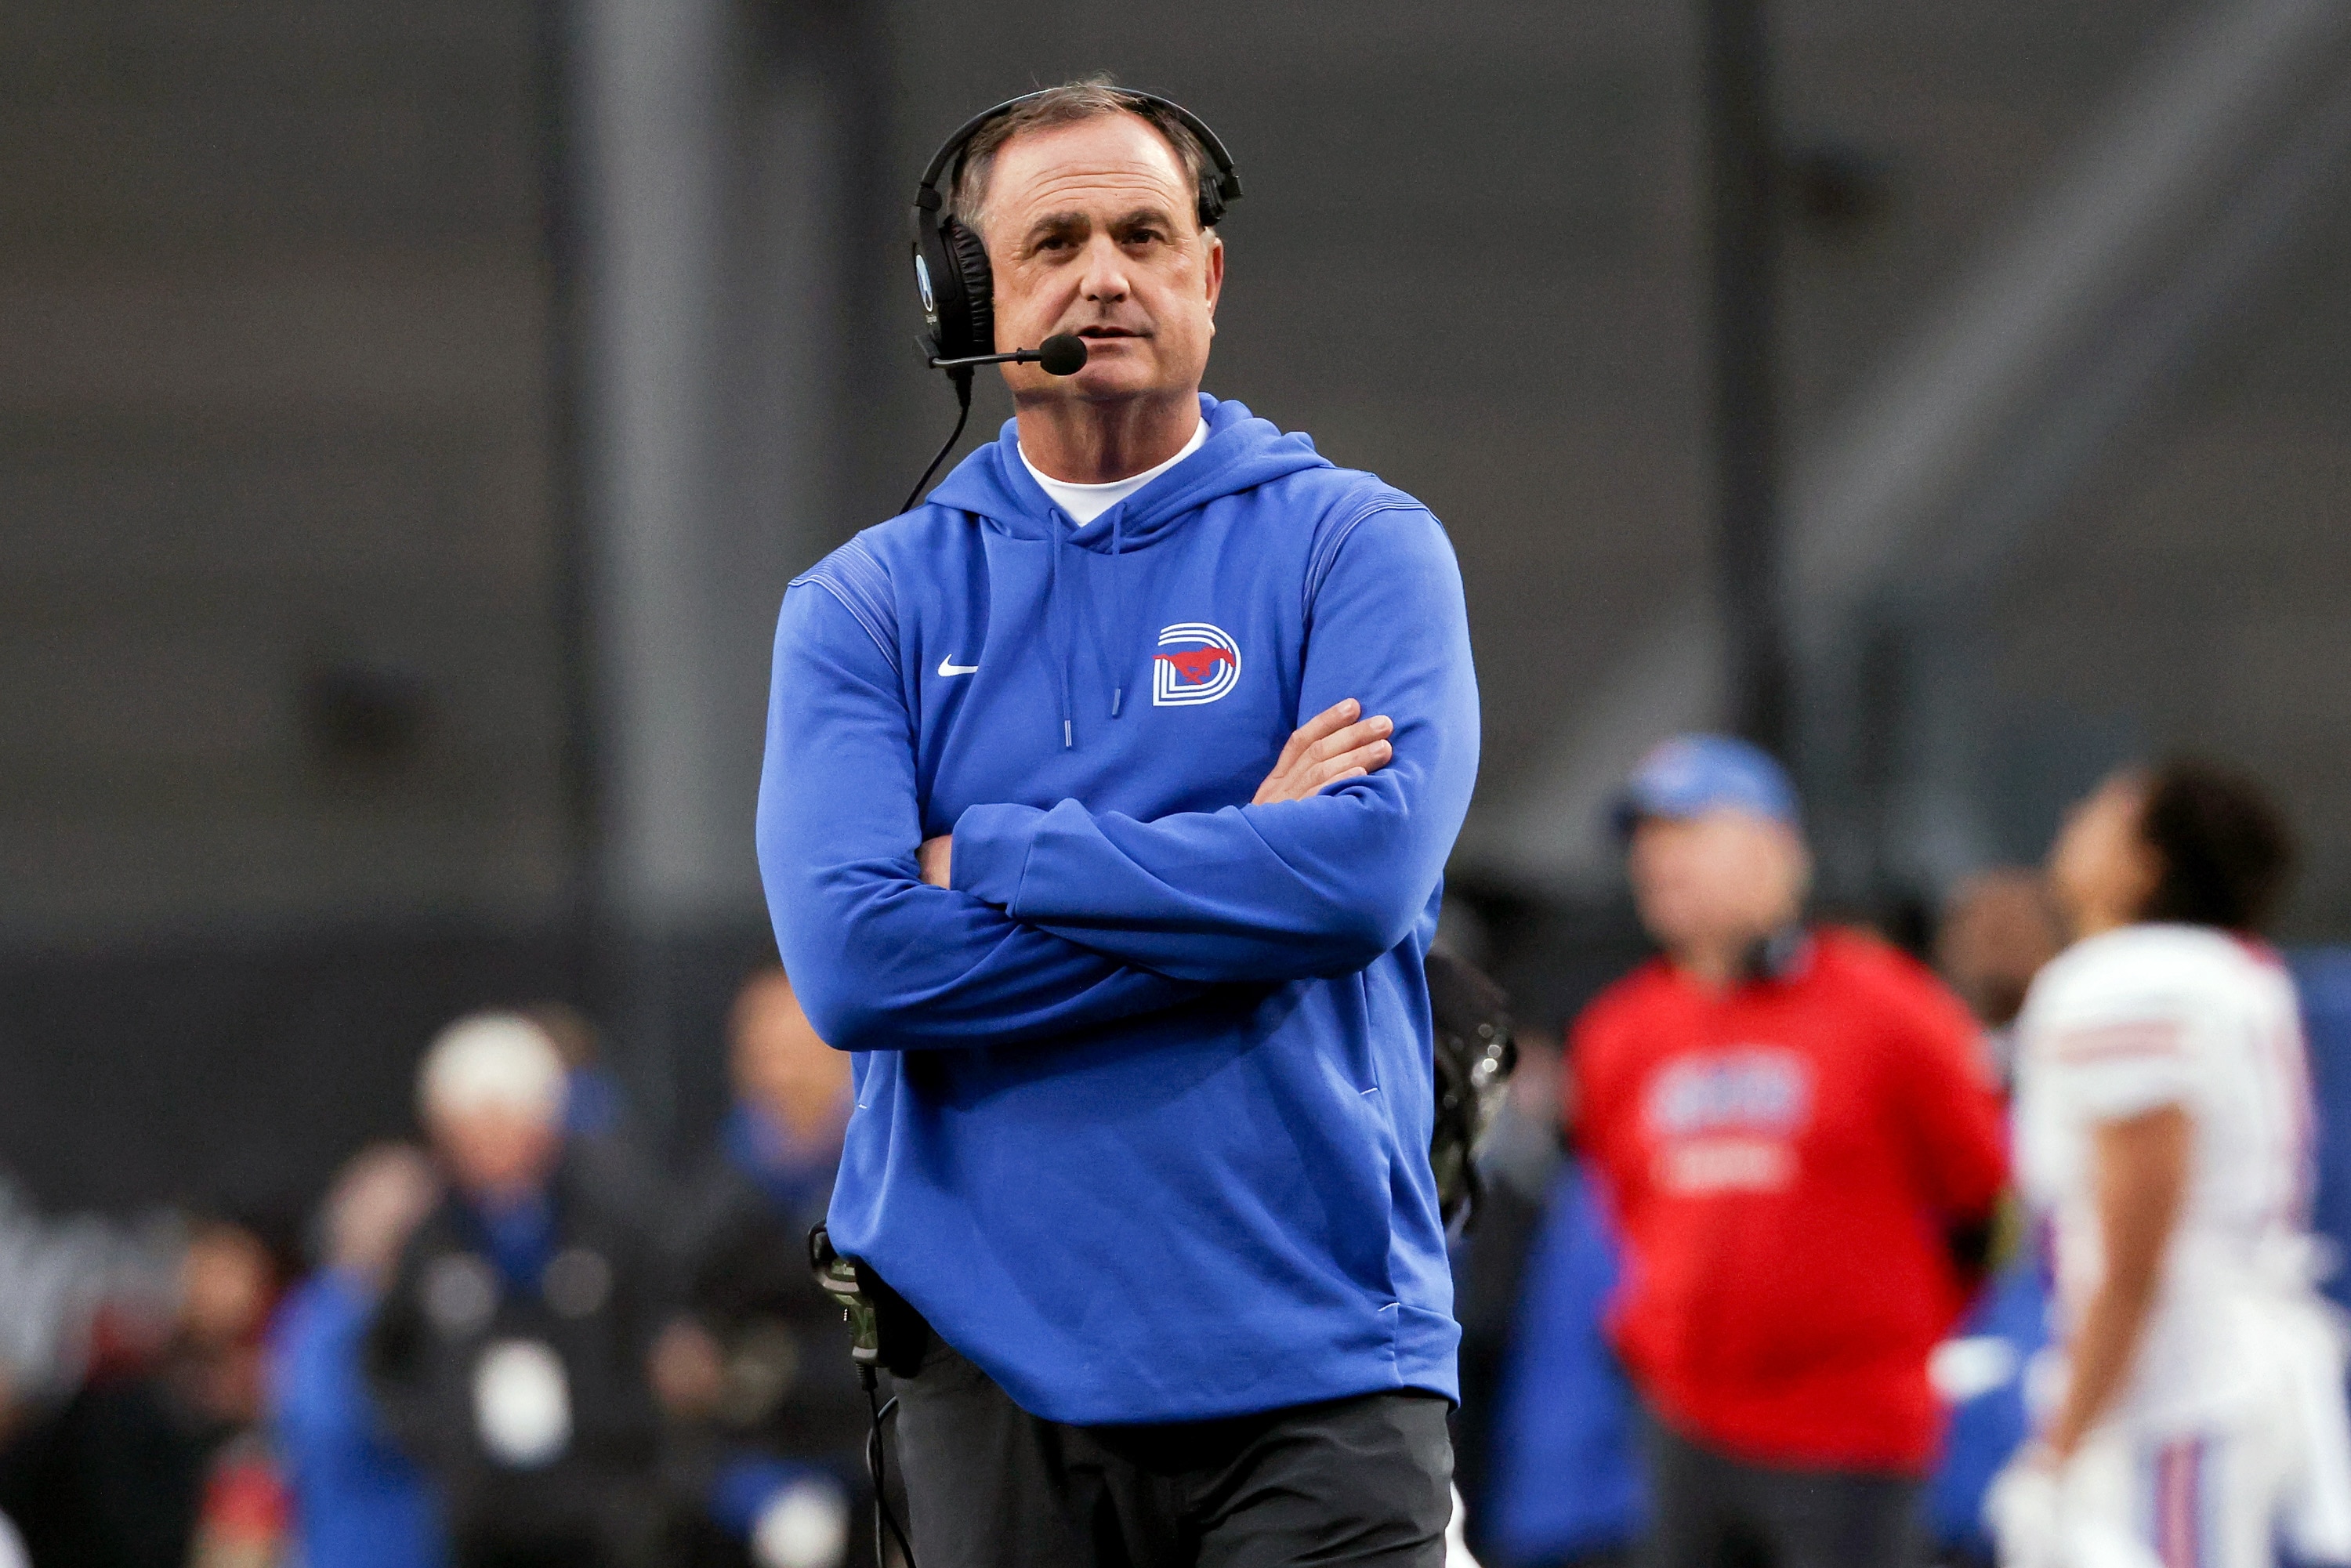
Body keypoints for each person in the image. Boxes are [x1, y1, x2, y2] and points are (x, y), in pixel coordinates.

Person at [758, 76, 1480, 1568]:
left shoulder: (1358, 542)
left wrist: (1006, 853)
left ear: (1208, 276)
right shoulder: (864, 605)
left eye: (1148, 234)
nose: (1108, 273)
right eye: (1058, 240)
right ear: (969, 297)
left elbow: (1353, 885)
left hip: (1324, 1367)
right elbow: (858, 967)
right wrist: (1239, 884)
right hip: (985, 1376)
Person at [1568, 734, 2008, 1568]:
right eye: (1647, 841)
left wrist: (1890, 1335)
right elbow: (1627, 1207)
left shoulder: (1890, 1009)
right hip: (1683, 1423)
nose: (1660, 861)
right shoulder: (1616, 1034)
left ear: (1777, 849)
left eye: (1690, 832)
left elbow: (1985, 1199)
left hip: (1850, 1431)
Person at [1988, 759, 2351, 1568]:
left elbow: (2137, 1251)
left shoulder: (2130, 981)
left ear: (2145, 861)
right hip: (2220, 1371)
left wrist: (2062, 1441)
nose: (2075, 814)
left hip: (2175, 1388)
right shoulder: (2225, 968)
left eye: (2103, 811)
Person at [366, 1013, 670, 1568]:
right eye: (471, 1126)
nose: (491, 1144)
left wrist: (624, 1440)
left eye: (506, 1120)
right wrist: (441, 1435)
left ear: (544, 1123)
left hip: (596, 1508)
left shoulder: (607, 1228)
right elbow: (383, 1359)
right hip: (479, 1512)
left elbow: (651, 1342)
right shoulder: (430, 1242)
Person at [657, 968, 865, 1568]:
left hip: (868, 1467)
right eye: (762, 1055)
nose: (781, 1074)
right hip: (742, 1473)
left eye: (799, 1053)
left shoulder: (877, 1181)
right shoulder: (714, 1191)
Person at [269, 1143, 446, 1568]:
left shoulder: (444, 1313)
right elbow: (329, 1427)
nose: (397, 1225)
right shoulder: (318, 1318)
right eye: (383, 1212)